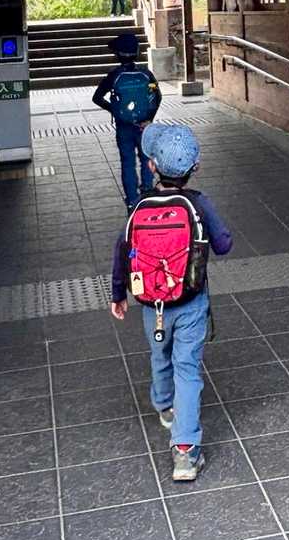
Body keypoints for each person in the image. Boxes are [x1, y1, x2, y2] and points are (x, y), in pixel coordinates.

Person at [110, 123, 232, 481]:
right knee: (187, 369)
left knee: (160, 354)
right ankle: (185, 453)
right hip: (191, 301)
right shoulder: (198, 203)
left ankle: (165, 406)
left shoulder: (139, 207)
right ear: (196, 166)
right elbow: (224, 244)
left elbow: (121, 251)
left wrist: (118, 294)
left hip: (152, 304)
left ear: (152, 166)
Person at [92, 31, 161, 209]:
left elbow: (97, 98)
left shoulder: (113, 75)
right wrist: (149, 118)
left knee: (127, 162)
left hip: (124, 127)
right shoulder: (146, 74)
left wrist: (115, 110)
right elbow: (157, 95)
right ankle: (147, 191)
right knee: (146, 158)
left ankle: (132, 199)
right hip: (144, 125)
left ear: (117, 54)